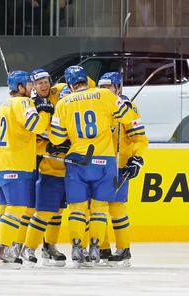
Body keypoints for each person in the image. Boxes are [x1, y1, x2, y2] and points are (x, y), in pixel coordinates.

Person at [48, 65, 138, 267]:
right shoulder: (104, 95)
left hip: (78, 161)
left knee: (78, 208)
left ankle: (77, 246)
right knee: (99, 208)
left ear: (70, 85)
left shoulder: (63, 103)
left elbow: (56, 137)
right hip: (104, 161)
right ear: (86, 80)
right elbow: (128, 116)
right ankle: (96, 246)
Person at [0, 70, 53, 269]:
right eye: (28, 84)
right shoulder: (23, 103)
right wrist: (44, 110)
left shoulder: (5, 104)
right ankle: (3, 252)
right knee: (16, 208)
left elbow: (24, 133)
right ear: (19, 87)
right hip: (16, 163)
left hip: (1, 162)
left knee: (3, 208)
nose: (32, 87)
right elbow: (36, 125)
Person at [97, 72, 148, 267]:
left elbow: (140, 138)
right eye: (101, 87)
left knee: (116, 209)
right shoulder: (97, 106)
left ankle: (123, 248)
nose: (104, 91)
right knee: (97, 209)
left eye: (108, 87)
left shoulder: (128, 109)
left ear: (117, 88)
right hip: (99, 165)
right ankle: (101, 248)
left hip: (119, 166)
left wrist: (137, 158)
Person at [19, 69, 68, 267]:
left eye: (46, 81)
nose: (44, 85)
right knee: (43, 209)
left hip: (66, 163)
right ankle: (27, 248)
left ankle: (49, 247)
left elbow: (86, 84)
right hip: (44, 164)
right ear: (33, 85)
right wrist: (47, 146)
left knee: (58, 212)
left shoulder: (62, 93)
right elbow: (31, 137)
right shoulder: (31, 105)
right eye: (39, 83)